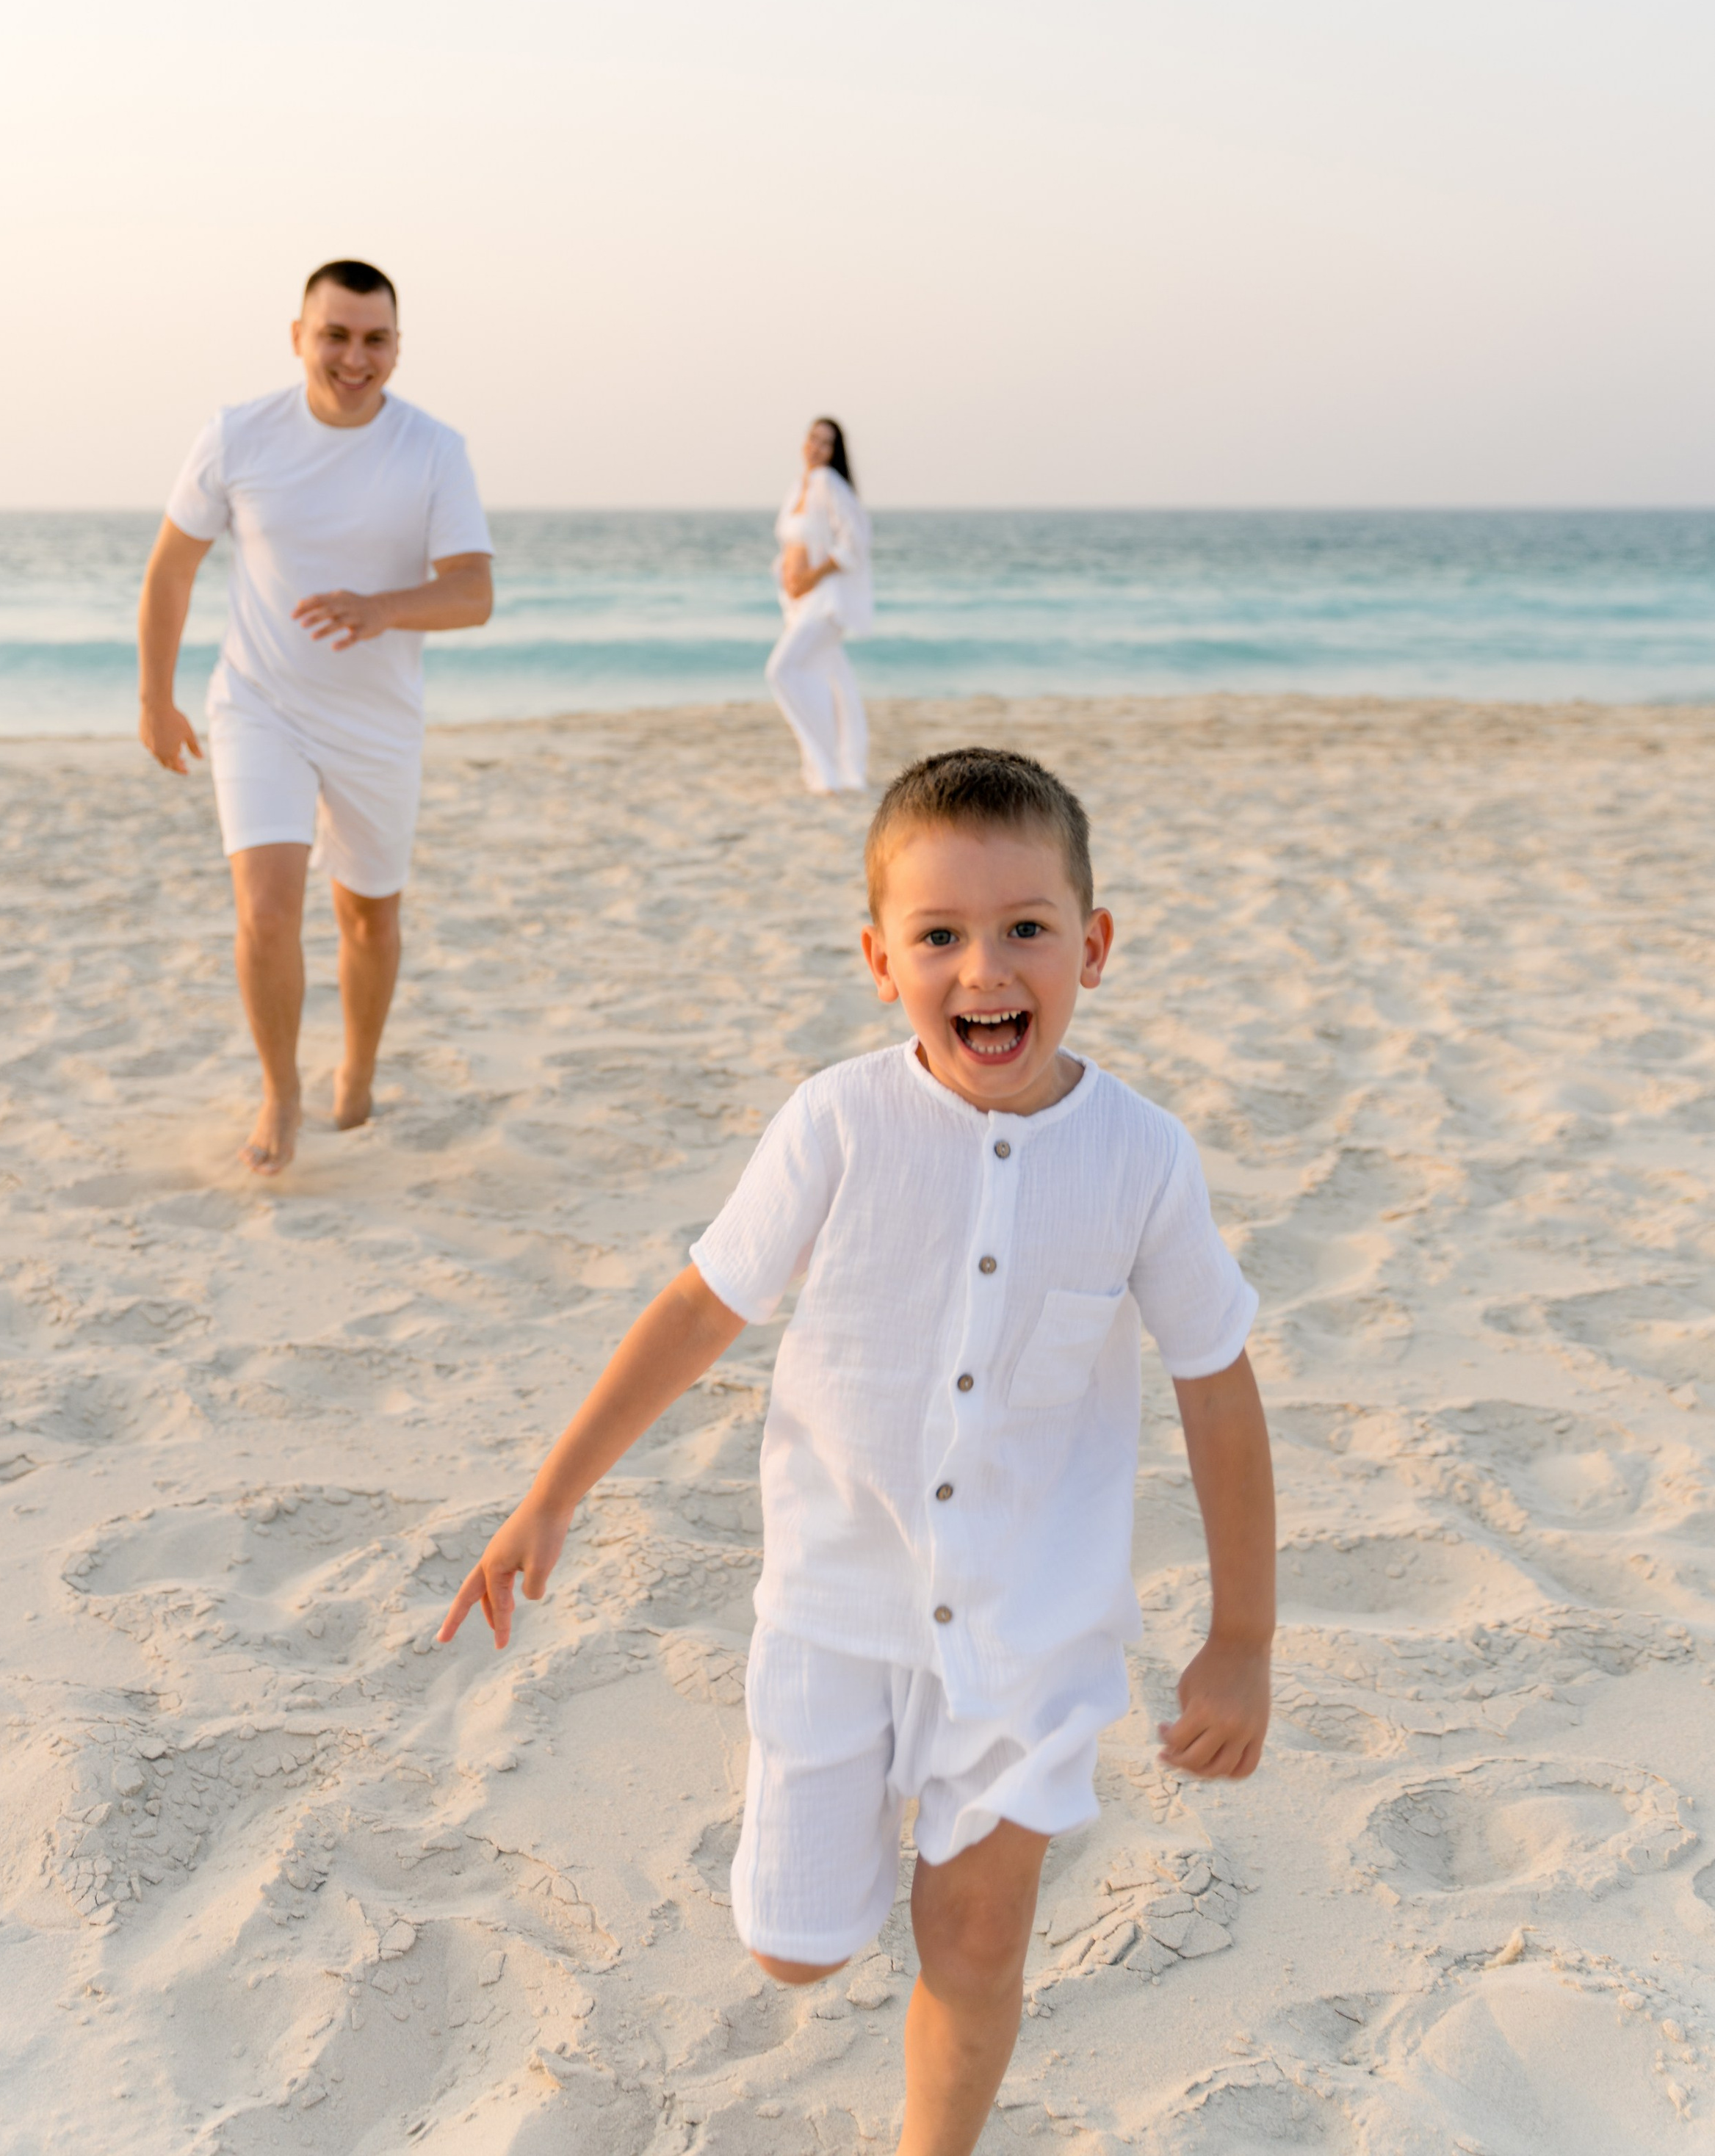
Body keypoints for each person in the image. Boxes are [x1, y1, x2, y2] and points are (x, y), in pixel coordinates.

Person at [438, 745, 1274, 2156]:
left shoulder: (1144, 1156)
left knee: (974, 1942)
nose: (984, 968)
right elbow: (700, 1307)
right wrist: (548, 1500)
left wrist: (1241, 1633)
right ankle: (833, 1847)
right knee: (797, 1949)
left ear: (1096, 945)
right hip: (836, 1609)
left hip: (1033, 1629)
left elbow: (1216, 1386)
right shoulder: (835, 1122)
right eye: (938, 935)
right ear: (881, 960)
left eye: (1026, 929)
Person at [136, 261, 494, 1176]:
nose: (353, 356)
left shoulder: (432, 450)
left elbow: (473, 592)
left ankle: (358, 1072)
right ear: (298, 335)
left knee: (368, 916)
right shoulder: (237, 435)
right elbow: (172, 568)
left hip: (376, 723)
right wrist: (156, 696)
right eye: (334, 334)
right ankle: (280, 1094)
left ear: (397, 349)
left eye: (374, 339)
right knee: (265, 908)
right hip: (258, 705)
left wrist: (381, 609)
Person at [766, 415, 873, 795]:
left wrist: (812, 576)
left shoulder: (829, 484)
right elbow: (791, 544)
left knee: (780, 671)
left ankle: (826, 768)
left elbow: (855, 542)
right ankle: (833, 769)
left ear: (835, 452)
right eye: (813, 439)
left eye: (827, 443)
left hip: (825, 602)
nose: (817, 448)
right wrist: (789, 579)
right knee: (828, 682)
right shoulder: (799, 485)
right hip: (800, 604)